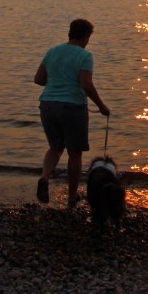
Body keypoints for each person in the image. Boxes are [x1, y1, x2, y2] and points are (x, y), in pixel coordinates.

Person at [34, 18, 110, 207]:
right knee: (75, 153)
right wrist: (101, 106)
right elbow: (86, 84)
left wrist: (57, 82)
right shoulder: (85, 56)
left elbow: (39, 79)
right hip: (72, 107)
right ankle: (72, 197)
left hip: (48, 105)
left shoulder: (52, 51)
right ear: (85, 36)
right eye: (88, 37)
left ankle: (44, 177)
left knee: (55, 147)